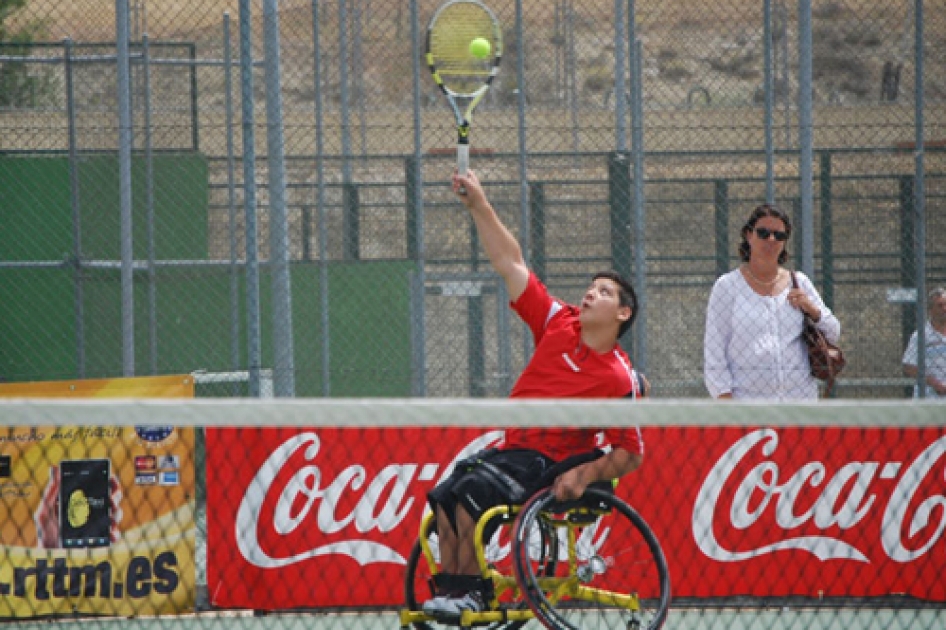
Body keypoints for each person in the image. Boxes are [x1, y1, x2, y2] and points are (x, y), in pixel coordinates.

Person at [421, 170, 648, 619]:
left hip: (548, 463)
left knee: (471, 496)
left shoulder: (618, 378)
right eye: (590, 286)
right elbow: (511, 263)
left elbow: (631, 452)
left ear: (622, 313)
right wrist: (478, 206)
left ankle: (473, 595)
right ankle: (451, 592)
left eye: (603, 292)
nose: (589, 292)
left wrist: (585, 475)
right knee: (446, 497)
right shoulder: (557, 322)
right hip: (512, 451)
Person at [703, 203, 841, 400]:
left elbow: (833, 332)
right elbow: (715, 352)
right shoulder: (727, 287)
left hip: (799, 403)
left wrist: (812, 309)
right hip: (748, 405)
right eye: (763, 232)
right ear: (749, 235)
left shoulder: (799, 282)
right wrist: (727, 405)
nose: (771, 239)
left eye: (779, 235)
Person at [902, 287, 946, 398]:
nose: (944, 309)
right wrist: (934, 383)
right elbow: (909, 367)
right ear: (930, 310)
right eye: (940, 306)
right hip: (928, 398)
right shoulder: (920, 336)